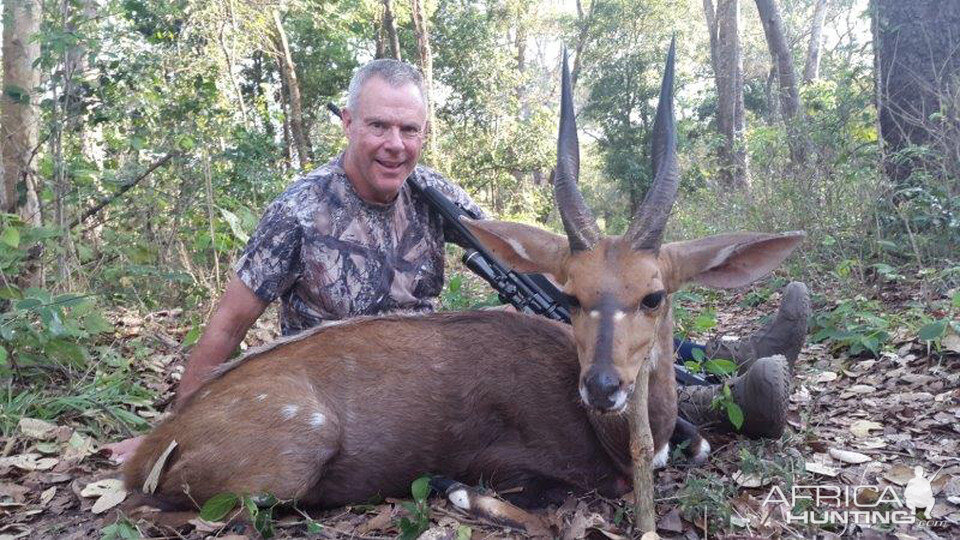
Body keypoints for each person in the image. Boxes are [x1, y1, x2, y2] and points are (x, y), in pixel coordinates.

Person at [107, 58, 810, 462]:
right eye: (378, 125)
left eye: (408, 129)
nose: (394, 143)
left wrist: (546, 291)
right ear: (349, 124)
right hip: (351, 384)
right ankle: (716, 402)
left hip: (432, 369)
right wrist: (172, 431)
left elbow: (542, 266)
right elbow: (227, 326)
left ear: (422, 134)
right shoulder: (298, 208)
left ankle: (714, 360)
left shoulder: (434, 192)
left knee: (567, 325)